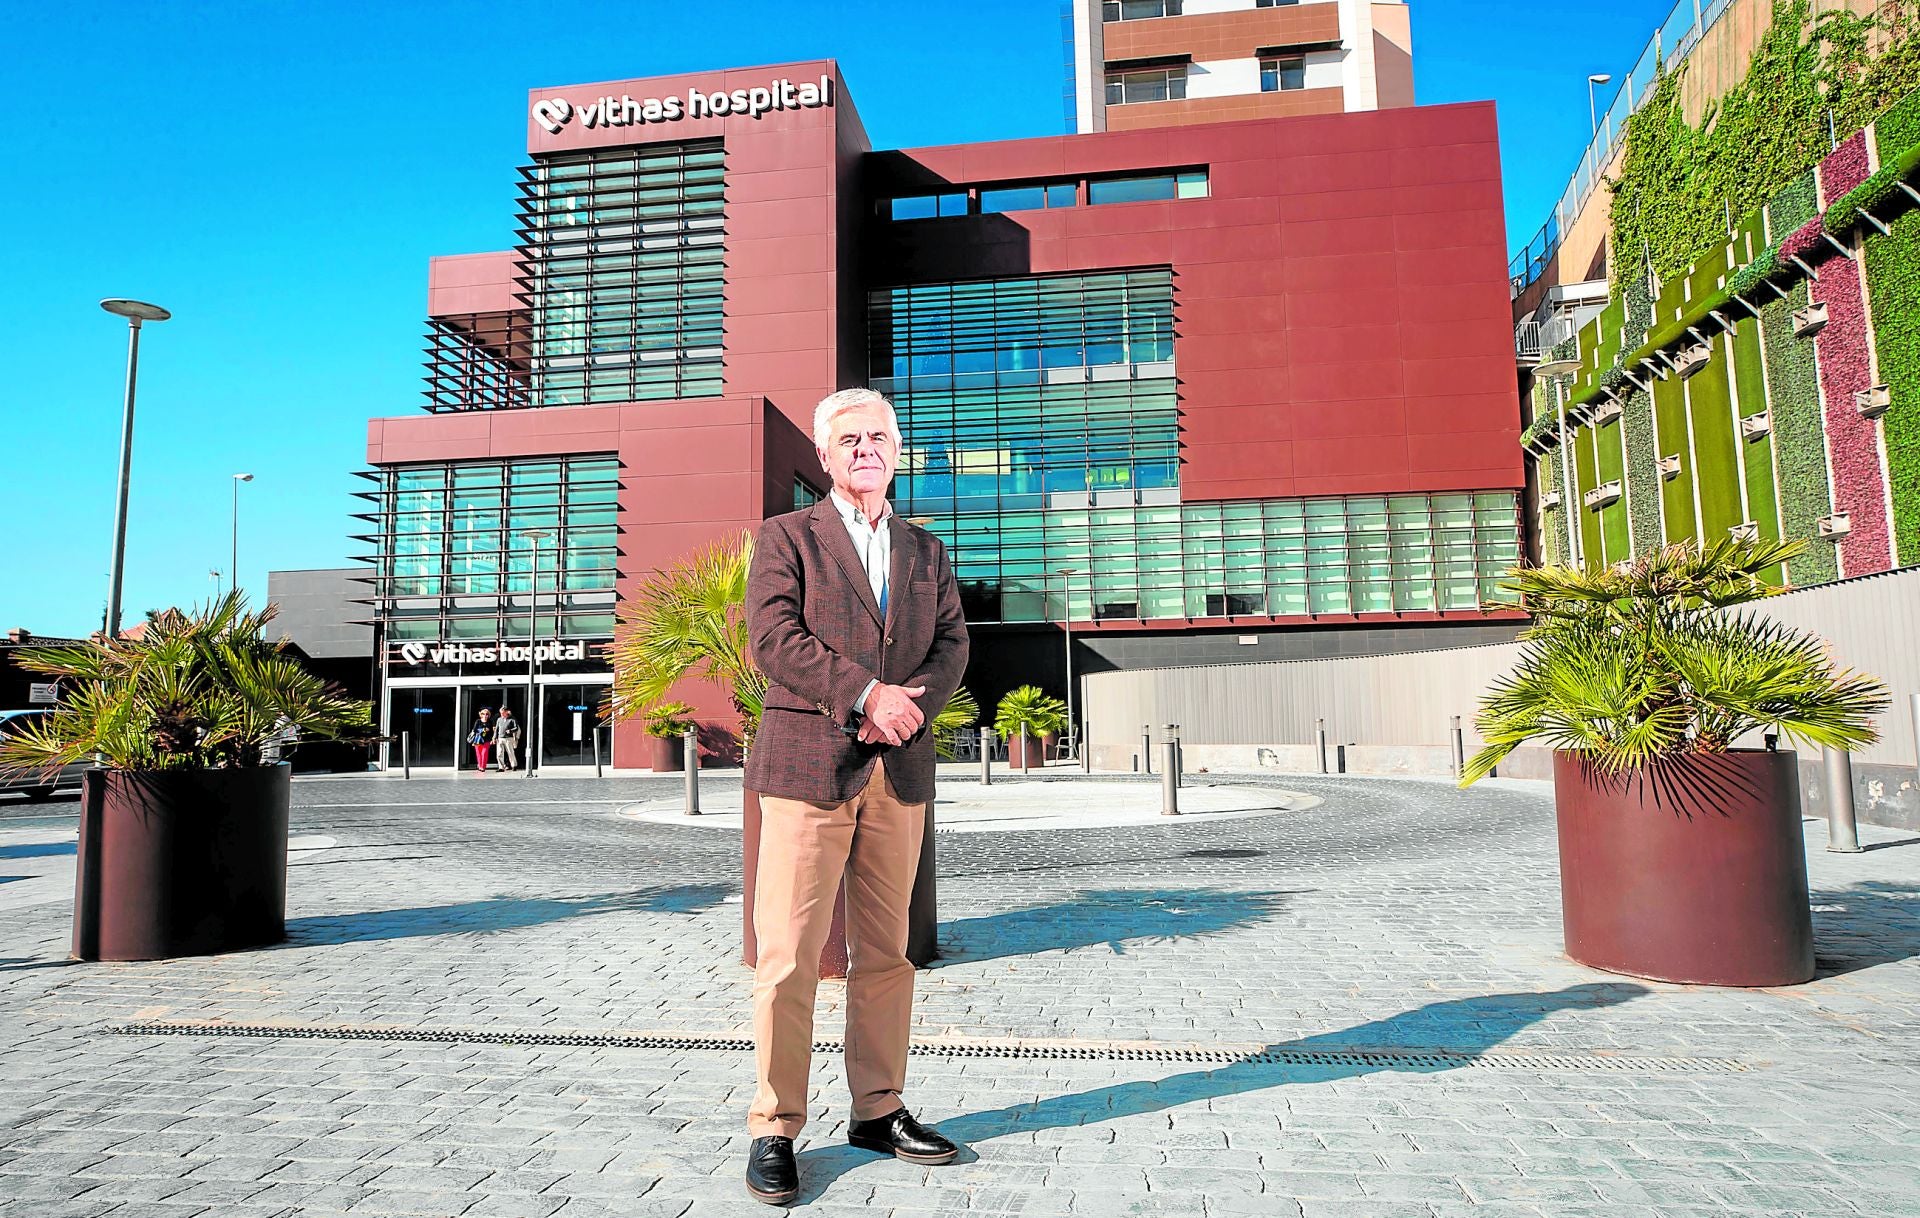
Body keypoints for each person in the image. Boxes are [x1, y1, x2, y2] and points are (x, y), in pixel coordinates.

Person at [740, 387, 970, 1205]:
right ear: (825, 456)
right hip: (807, 771)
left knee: (887, 956)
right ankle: (776, 1125)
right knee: (789, 958)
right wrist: (867, 695)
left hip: (897, 774)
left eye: (878, 436)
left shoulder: (927, 551)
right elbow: (772, 638)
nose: (865, 448)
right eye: (848, 438)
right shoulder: (784, 538)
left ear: (897, 450)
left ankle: (878, 1109)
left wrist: (905, 708)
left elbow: (951, 645)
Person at [467, 707, 494, 773]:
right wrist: (483, 730)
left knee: (484, 753)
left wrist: (492, 739)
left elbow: (492, 732)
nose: (485, 715)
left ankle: (483, 767)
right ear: (481, 715)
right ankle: (480, 766)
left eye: (487, 714)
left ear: (488, 715)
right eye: (483, 714)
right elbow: (474, 730)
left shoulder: (490, 722)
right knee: (478, 754)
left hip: (486, 740)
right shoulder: (478, 721)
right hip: (478, 740)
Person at [494, 706, 521, 771]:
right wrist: (495, 737)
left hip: (509, 738)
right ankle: (501, 767)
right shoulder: (499, 719)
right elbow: (497, 729)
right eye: (501, 713)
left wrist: (510, 731)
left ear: (506, 712)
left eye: (503, 713)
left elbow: (516, 728)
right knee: (499, 753)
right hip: (500, 738)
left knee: (510, 752)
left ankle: (514, 765)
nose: (501, 714)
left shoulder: (512, 719)